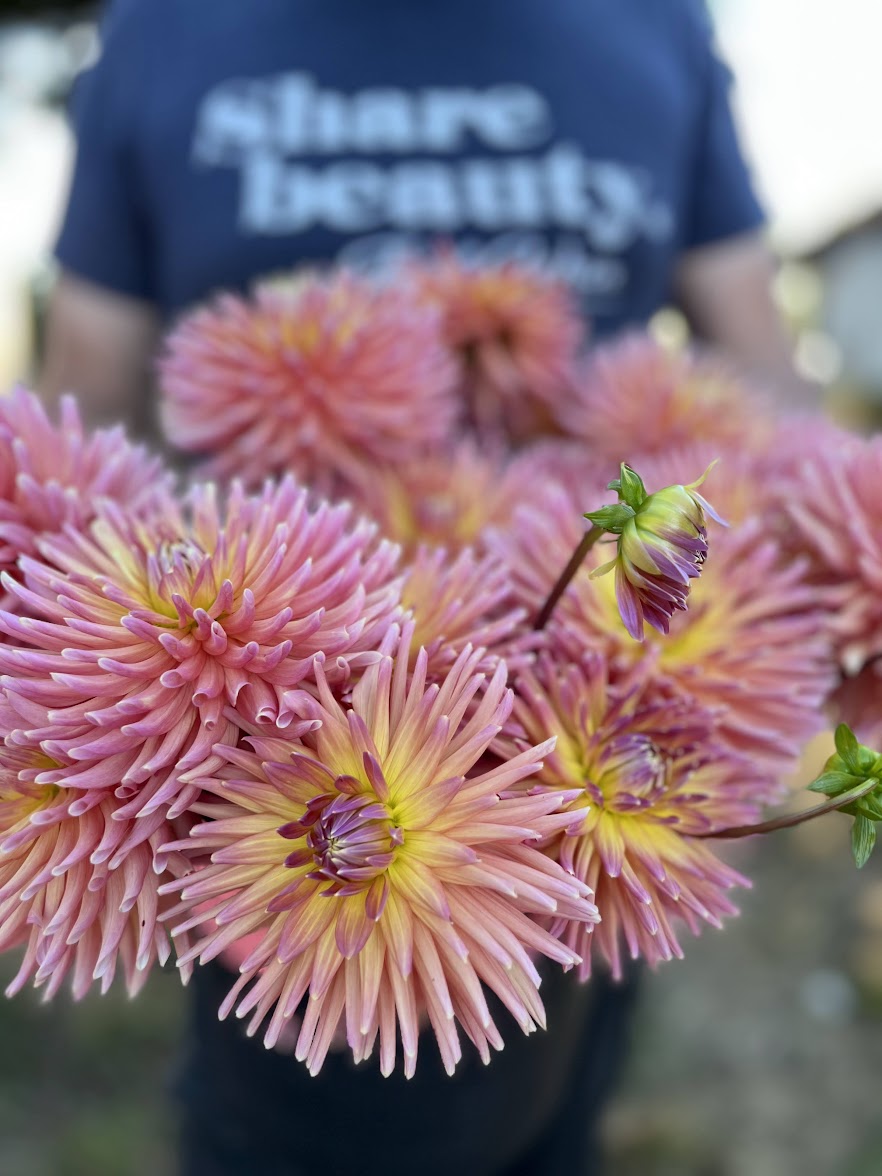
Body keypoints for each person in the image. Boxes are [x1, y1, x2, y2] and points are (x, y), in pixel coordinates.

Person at [38, 2, 810, 1173]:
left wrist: (793, 600)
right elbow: (77, 409)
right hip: (257, 769)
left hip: (601, 714)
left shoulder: (656, 23)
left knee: (555, 1119)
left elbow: (761, 383)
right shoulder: (163, 29)